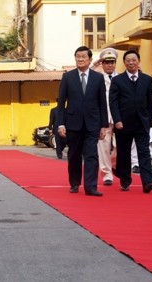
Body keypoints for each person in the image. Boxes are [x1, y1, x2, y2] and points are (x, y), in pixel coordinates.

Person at [57, 46, 108, 197]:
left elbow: (102, 103)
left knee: (92, 155)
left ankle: (91, 186)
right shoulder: (68, 77)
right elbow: (61, 103)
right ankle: (74, 183)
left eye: (83, 57)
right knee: (74, 155)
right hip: (73, 123)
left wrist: (104, 126)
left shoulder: (98, 78)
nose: (80, 59)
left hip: (93, 123)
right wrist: (60, 123)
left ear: (90, 59)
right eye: (77, 56)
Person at [109, 49, 152, 193]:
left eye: (133, 60)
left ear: (138, 61)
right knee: (123, 154)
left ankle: (147, 182)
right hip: (123, 123)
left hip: (142, 122)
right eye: (128, 60)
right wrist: (117, 119)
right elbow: (113, 102)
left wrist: (149, 119)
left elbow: (150, 101)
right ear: (124, 63)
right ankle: (125, 180)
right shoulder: (117, 80)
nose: (131, 62)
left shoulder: (147, 80)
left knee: (144, 152)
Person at [94, 48, 119, 186]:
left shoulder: (121, 77)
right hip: (103, 118)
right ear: (102, 64)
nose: (109, 65)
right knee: (103, 147)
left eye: (112, 62)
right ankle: (106, 174)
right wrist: (94, 65)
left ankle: (114, 164)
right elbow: (84, 77)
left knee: (120, 146)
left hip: (119, 117)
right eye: (106, 62)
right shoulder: (97, 78)